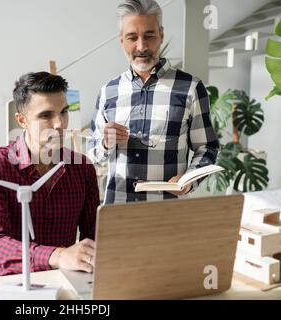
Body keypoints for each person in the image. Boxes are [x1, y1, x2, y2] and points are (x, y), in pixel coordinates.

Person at [88, 0, 219, 204]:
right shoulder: (108, 91)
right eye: (132, 37)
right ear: (121, 40)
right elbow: (92, 156)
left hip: (168, 212)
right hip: (118, 210)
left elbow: (207, 148)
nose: (141, 46)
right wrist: (105, 143)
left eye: (149, 35)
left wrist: (190, 180)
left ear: (161, 35)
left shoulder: (190, 87)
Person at [0, 72, 99, 277]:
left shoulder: (83, 168)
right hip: (9, 284)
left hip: (64, 280)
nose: (59, 124)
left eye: (64, 112)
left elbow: (94, 238)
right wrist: (58, 256)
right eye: (46, 115)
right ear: (22, 120)